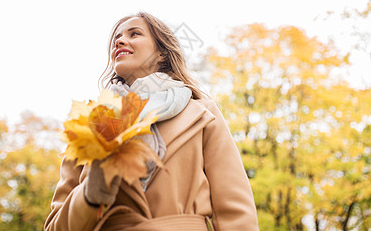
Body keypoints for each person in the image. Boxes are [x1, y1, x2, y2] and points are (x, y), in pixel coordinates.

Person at [44, 12, 259, 230]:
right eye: (116, 37)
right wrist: (90, 195)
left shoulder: (202, 113)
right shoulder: (89, 126)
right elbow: (54, 226)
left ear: (162, 54)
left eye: (134, 33)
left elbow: (236, 211)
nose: (119, 41)